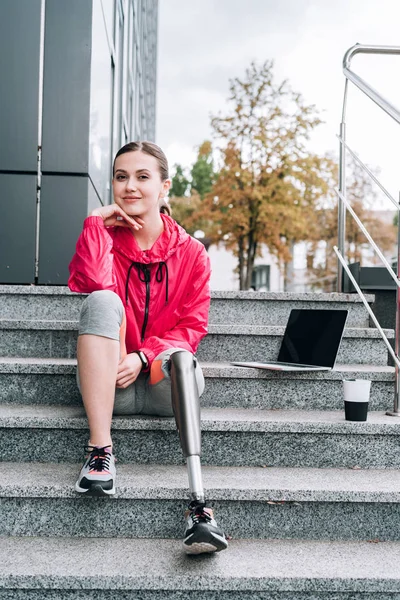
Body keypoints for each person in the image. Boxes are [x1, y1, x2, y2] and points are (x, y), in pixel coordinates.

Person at [68, 141, 228, 555]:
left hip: (162, 383)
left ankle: (200, 508)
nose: (130, 186)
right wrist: (94, 225)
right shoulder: (104, 237)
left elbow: (192, 325)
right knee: (101, 302)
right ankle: (100, 452)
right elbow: (92, 288)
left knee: (182, 357)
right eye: (121, 177)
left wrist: (144, 355)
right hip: (111, 385)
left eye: (143, 177)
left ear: (164, 187)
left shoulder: (192, 253)